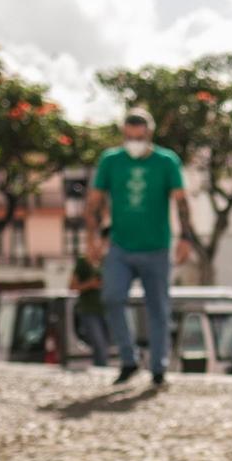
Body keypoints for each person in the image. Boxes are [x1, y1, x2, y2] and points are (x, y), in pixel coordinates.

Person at [86, 108, 195, 386]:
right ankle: (128, 360)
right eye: (129, 135)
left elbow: (181, 201)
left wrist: (186, 238)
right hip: (121, 247)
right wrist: (92, 238)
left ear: (149, 134)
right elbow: (95, 201)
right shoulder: (110, 161)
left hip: (157, 247)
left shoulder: (166, 161)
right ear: (123, 133)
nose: (134, 140)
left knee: (158, 308)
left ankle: (158, 367)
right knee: (112, 298)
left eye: (139, 135)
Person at [69, 251, 111, 368]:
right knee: (99, 345)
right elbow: (72, 286)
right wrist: (90, 284)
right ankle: (101, 370)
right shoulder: (83, 262)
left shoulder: (106, 261)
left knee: (105, 345)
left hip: (105, 310)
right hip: (89, 311)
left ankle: (102, 369)